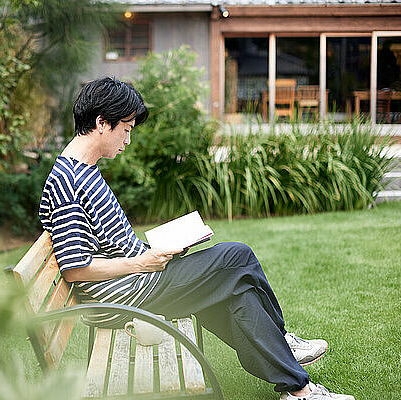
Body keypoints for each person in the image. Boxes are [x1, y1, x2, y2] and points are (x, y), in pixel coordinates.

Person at [38, 77, 354, 400]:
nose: (128, 140)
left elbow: (106, 244)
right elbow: (75, 269)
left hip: (137, 283)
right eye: (126, 129)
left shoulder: (82, 170)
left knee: (238, 292)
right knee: (238, 257)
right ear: (102, 123)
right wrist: (141, 262)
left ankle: (297, 389)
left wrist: (159, 249)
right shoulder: (66, 181)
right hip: (128, 297)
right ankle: (284, 346)